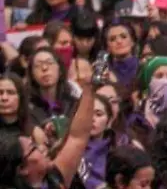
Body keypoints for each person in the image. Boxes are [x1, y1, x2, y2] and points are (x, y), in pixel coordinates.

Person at [0, 55, 96, 189]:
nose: (42, 149)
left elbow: (77, 138)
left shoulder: (53, 178)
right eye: (34, 147)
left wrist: (90, 88)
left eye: (10, 92)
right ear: (22, 169)